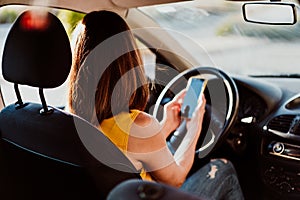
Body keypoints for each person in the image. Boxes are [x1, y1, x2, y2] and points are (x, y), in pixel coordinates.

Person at [68, 10, 244, 199]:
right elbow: (175, 179)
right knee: (223, 168)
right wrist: (195, 127)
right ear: (128, 61)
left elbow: (130, 147)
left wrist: (165, 124)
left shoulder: (66, 119)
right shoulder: (139, 125)